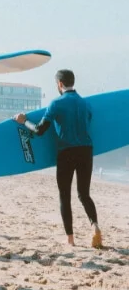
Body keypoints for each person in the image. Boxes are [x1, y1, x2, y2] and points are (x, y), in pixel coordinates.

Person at [13, 69, 102, 248]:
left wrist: (24, 122)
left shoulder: (56, 104)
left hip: (66, 152)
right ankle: (95, 227)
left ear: (59, 84)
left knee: (65, 195)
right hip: (86, 150)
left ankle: (70, 239)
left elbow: (39, 130)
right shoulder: (85, 104)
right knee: (84, 194)